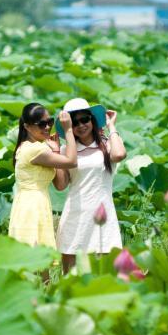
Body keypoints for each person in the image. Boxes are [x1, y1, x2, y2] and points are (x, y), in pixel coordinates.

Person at [53, 98, 126, 272]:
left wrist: (111, 125)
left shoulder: (107, 144)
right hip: (75, 214)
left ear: (92, 120)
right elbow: (61, 185)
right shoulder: (66, 151)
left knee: (106, 272)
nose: (81, 125)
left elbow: (119, 155)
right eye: (74, 122)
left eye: (84, 119)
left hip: (103, 213)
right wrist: (56, 150)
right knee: (71, 274)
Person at [8, 103, 77, 247]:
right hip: (31, 207)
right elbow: (71, 161)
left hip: (39, 202)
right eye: (41, 124)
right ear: (27, 127)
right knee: (33, 259)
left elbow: (60, 185)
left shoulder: (38, 148)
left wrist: (56, 151)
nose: (47, 127)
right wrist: (68, 130)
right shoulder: (35, 150)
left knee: (41, 260)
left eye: (50, 122)